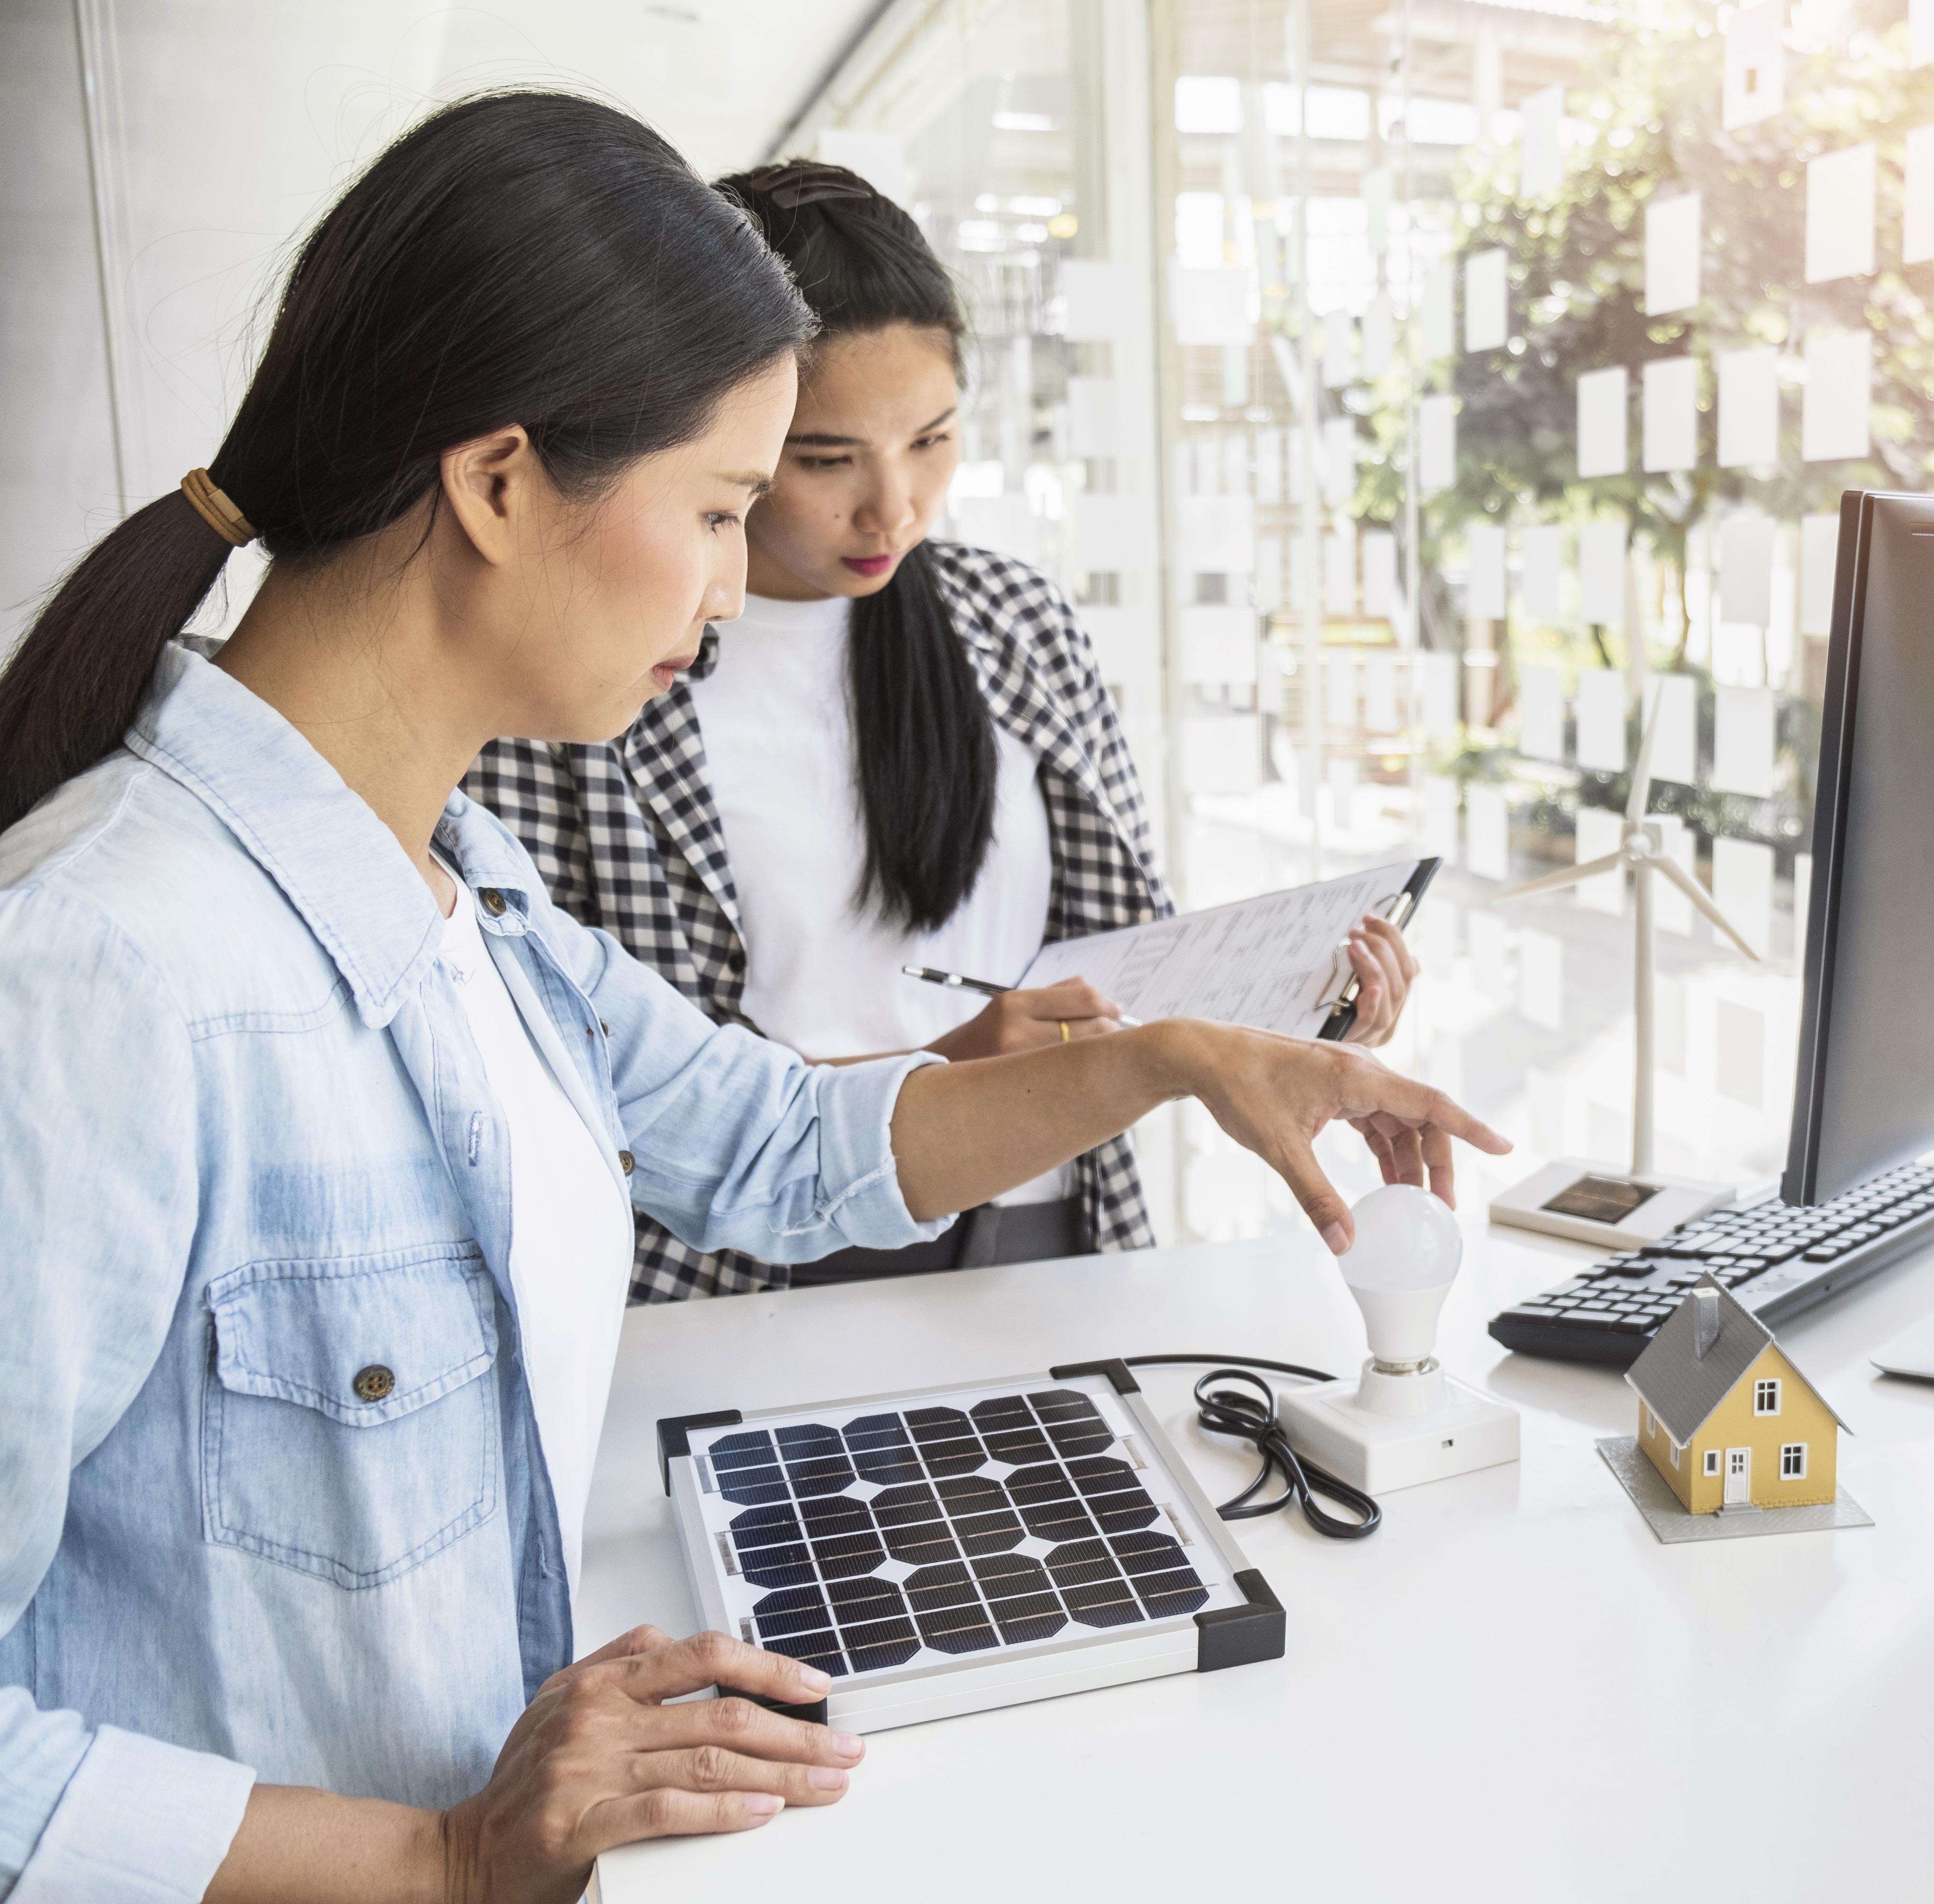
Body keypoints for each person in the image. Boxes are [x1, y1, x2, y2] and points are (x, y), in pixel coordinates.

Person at [0, 91, 1501, 1902]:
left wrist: (1180, 1057)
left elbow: (781, 1143)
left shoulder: (465, 880)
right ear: (498, 483)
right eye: (720, 509)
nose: (730, 594)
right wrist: (441, 1858)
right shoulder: (97, 973)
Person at [464, 158, 1419, 1299]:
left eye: (933, 438)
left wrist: (1307, 1001)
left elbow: (1135, 964)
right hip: (738, 1268)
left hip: (1043, 1226)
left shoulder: (1011, 620)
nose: (896, 506)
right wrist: (942, 1067)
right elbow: (586, 1073)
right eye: (826, 459)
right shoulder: (590, 663)